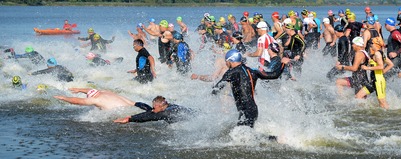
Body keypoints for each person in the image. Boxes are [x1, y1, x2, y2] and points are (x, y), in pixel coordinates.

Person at [212, 49, 289, 128]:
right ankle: (276, 139)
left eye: (226, 61)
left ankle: (274, 139)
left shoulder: (231, 72)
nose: (226, 63)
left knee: (242, 136)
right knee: (246, 135)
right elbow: (275, 75)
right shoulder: (253, 71)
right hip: (253, 109)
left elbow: (218, 87)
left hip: (245, 111)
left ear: (230, 61)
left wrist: (210, 98)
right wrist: (283, 63)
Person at [358, 43, 393, 109]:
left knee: (382, 102)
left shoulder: (377, 54)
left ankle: (389, 116)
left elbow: (381, 66)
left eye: (372, 44)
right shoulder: (379, 53)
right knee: (358, 96)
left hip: (379, 81)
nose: (370, 46)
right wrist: (382, 72)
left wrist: (367, 68)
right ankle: (366, 112)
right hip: (374, 81)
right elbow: (391, 64)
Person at [113, 96, 193, 124]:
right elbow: (149, 111)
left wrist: (129, 119)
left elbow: (148, 117)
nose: (153, 110)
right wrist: (135, 103)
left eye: (154, 108)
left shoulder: (166, 113)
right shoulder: (169, 106)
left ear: (160, 106)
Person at [54, 88, 136, 110]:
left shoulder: (96, 99)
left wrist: (63, 98)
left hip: (123, 113)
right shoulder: (107, 92)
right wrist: (79, 89)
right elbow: (90, 90)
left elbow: (77, 101)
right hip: (135, 106)